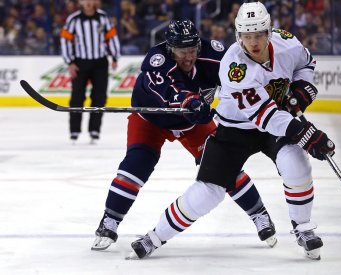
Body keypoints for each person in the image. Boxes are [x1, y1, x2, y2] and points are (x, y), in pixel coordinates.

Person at [127, 2, 335, 261]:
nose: (253, 42)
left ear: (269, 31)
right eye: (247, 36)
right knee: (207, 192)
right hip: (236, 130)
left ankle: (303, 228)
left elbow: (306, 63)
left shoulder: (287, 42)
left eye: (258, 34)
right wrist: (305, 133)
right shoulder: (234, 67)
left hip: (275, 124)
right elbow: (263, 115)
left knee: (295, 163)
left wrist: (304, 89)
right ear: (239, 36)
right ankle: (155, 237)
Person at [91, 19, 277, 251]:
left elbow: (238, 77)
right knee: (136, 166)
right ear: (170, 48)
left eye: (192, 49)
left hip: (192, 123)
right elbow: (169, 91)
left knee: (224, 165)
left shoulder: (214, 54)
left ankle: (259, 214)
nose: (188, 57)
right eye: (182, 51)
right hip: (150, 120)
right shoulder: (156, 60)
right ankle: (110, 221)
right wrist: (191, 101)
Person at [60, 0, 120, 143]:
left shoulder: (103, 17)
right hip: (80, 63)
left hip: (100, 62)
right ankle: (74, 131)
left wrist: (115, 57)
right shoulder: (73, 19)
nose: (87, 2)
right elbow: (65, 40)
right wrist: (70, 62)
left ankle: (95, 130)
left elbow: (112, 37)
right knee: (76, 97)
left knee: (99, 97)